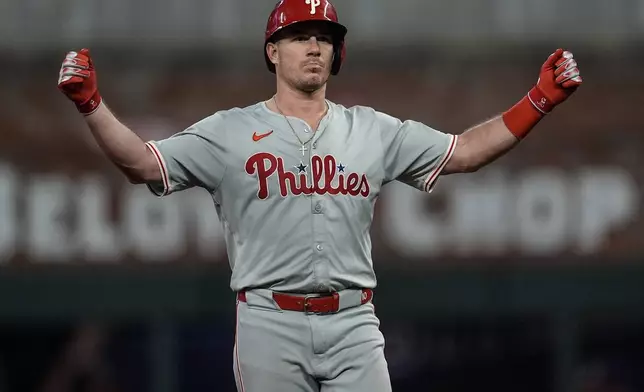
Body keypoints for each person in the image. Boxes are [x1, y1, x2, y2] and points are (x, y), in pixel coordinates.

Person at [56, 0, 582, 391]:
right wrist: (92, 105)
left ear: (337, 53)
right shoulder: (230, 132)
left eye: (324, 38)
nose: (313, 46)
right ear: (272, 50)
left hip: (353, 322)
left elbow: (464, 151)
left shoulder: (371, 130)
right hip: (269, 322)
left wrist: (537, 101)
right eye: (299, 35)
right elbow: (144, 164)